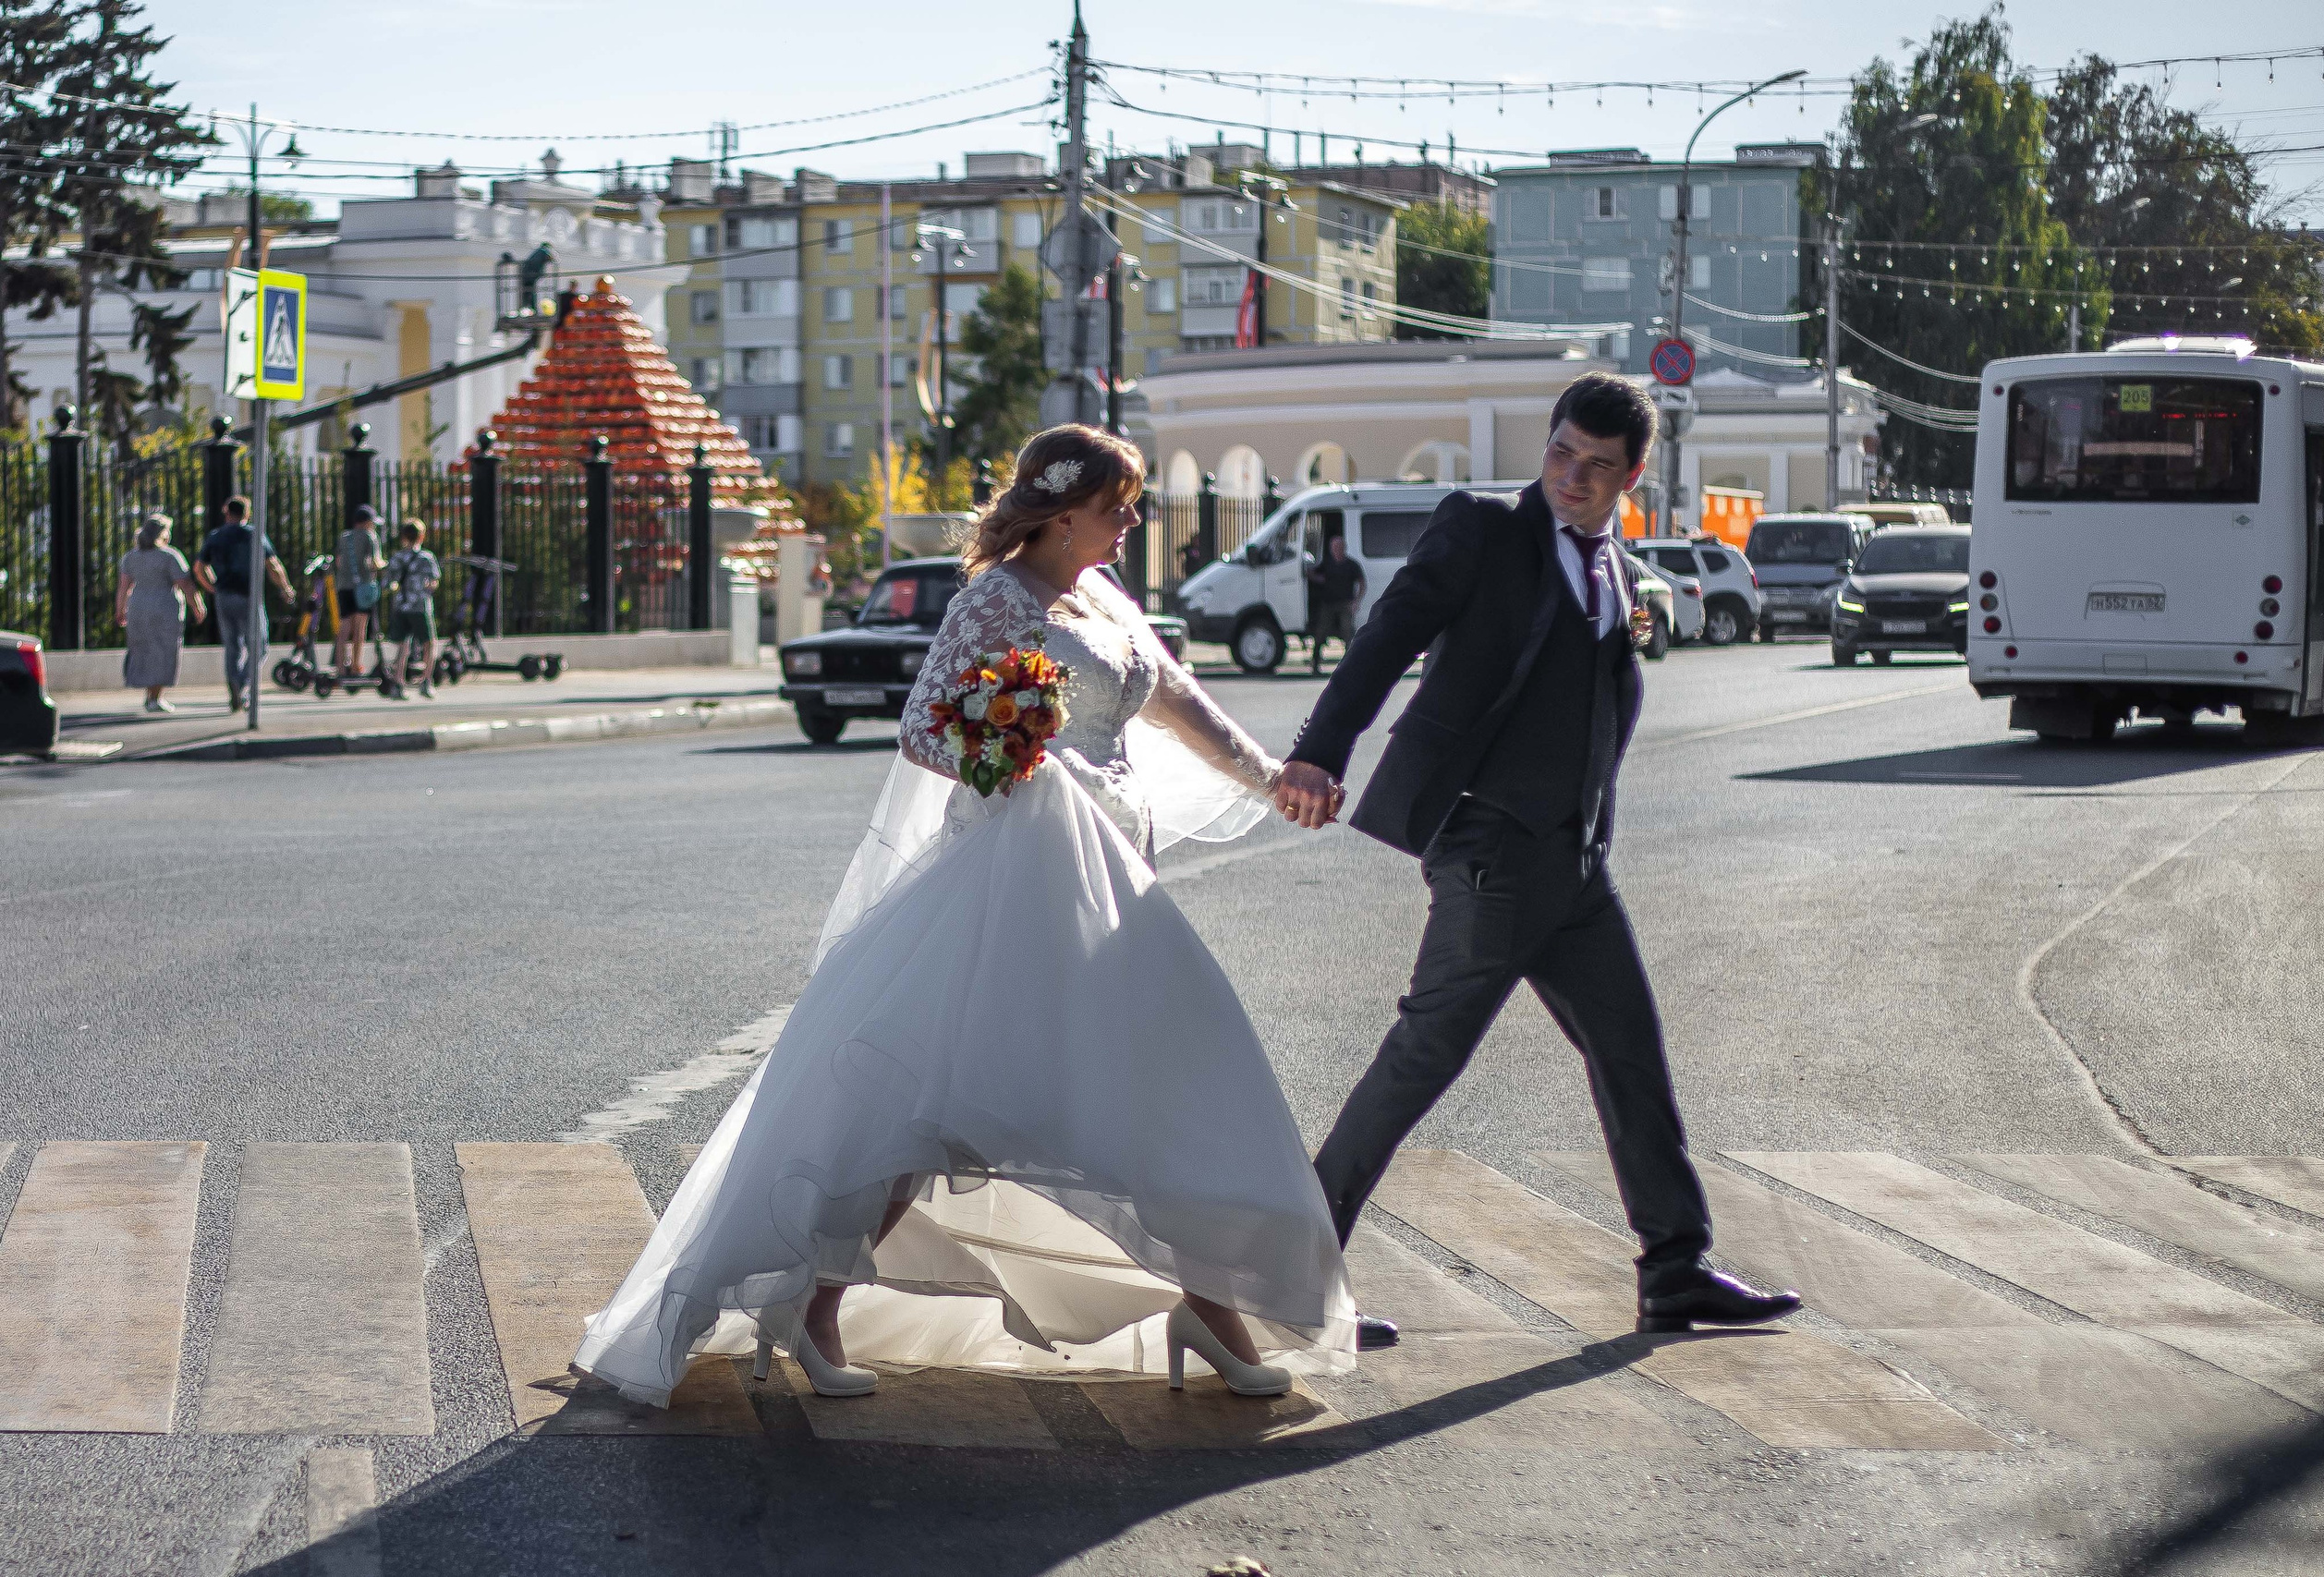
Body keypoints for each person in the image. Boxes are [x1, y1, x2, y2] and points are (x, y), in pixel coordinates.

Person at [576, 424, 1354, 1408]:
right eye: (1116, 505)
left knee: (1160, 1089)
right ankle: (812, 1305)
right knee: (925, 1112)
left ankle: (1211, 1311)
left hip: (1115, 885)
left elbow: (1175, 699)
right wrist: (1024, 765)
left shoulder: (1104, 598)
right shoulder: (995, 600)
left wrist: (1271, 775)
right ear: (1061, 513)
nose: (1131, 520)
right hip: (1015, 888)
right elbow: (924, 728)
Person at [1272, 374, 1801, 1348]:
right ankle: (1293, 1274)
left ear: (1630, 477)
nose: (1572, 476)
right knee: (1422, 1060)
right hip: (1491, 850)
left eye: (1598, 465)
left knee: (1630, 1054)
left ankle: (1674, 1270)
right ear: (1546, 443)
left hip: (1573, 858)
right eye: (1562, 452)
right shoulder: (1481, 528)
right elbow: (1388, 636)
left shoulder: (1615, 565)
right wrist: (1319, 750)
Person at [192, 495, 292, 712]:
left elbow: (199, 567)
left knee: (232, 645)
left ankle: (234, 685)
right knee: (259, 645)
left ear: (226, 512)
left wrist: (212, 586)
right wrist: (285, 588)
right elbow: (273, 565)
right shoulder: (254, 534)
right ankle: (243, 682)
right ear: (247, 513)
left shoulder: (216, 536)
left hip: (224, 595)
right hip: (249, 595)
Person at [116, 512, 204, 712]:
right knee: (163, 651)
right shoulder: (170, 556)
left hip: (138, 608)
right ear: (163, 533)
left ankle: (150, 695)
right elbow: (185, 584)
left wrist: (120, 609)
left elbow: (124, 587)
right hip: (164, 608)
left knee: (144, 649)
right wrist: (197, 605)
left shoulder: (131, 557)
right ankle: (155, 697)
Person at [381, 519, 440, 699]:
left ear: (403, 537)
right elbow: (434, 582)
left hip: (401, 606)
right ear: (421, 536)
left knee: (403, 645)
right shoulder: (426, 557)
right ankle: (426, 681)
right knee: (429, 643)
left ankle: (398, 683)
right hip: (420, 606)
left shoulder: (397, 558)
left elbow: (387, 582)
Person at [334, 504, 384, 678]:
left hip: (344, 586)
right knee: (360, 628)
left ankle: (340, 667)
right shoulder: (370, 536)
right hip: (363, 588)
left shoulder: (344, 537)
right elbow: (374, 562)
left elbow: (339, 561)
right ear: (367, 522)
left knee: (344, 627)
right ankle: (356, 665)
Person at [1303, 533, 1364, 676]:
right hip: (1328, 604)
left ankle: (1349, 666)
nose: (1336, 549)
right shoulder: (1326, 563)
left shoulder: (1351, 565)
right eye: (1334, 547)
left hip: (1345, 604)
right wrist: (1313, 576)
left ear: (1344, 548)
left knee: (1348, 633)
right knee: (1320, 633)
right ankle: (1315, 664)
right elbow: (1315, 576)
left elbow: (1362, 583)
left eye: (1339, 547)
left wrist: (1356, 601)